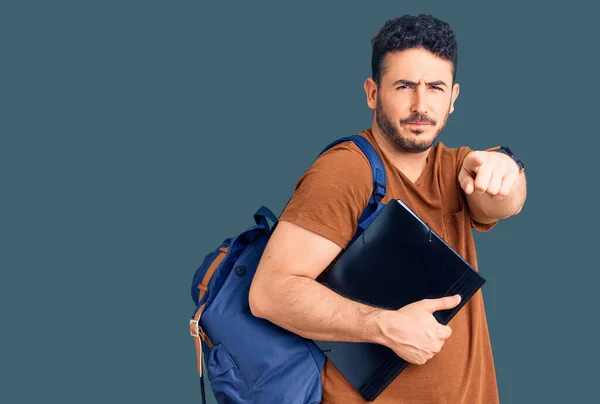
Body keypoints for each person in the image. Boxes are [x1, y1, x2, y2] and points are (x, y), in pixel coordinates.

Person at [248, 14, 527, 404]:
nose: (420, 104)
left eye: (435, 88)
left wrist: (508, 169)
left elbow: (504, 202)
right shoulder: (345, 170)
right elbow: (269, 293)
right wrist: (384, 326)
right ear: (372, 92)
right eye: (404, 86)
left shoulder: (456, 167)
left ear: (453, 98)